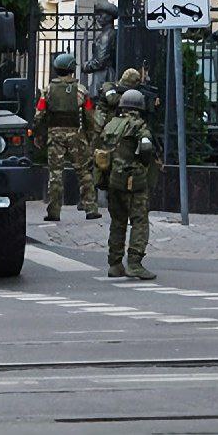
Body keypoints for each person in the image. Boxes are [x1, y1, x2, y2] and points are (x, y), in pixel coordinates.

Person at [97, 89, 158, 279]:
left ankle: (115, 264)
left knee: (118, 221)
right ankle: (134, 263)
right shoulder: (138, 125)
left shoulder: (111, 125)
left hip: (113, 180)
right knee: (139, 220)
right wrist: (144, 163)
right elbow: (146, 147)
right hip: (134, 181)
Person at [34, 53, 100, 221]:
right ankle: (91, 208)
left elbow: (39, 114)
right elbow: (89, 115)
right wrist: (90, 135)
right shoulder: (81, 90)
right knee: (84, 172)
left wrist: (38, 134)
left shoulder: (48, 90)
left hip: (55, 135)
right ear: (72, 69)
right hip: (76, 135)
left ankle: (54, 212)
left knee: (55, 174)